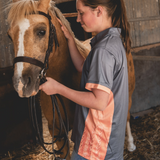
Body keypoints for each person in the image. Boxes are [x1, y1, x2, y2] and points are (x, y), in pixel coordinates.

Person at [39, 0, 131, 159]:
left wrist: (58, 88)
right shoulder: (112, 41)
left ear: (99, 11)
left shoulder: (103, 51)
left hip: (95, 146)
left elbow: (99, 102)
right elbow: (83, 67)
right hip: (108, 143)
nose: (78, 19)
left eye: (81, 13)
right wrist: (70, 40)